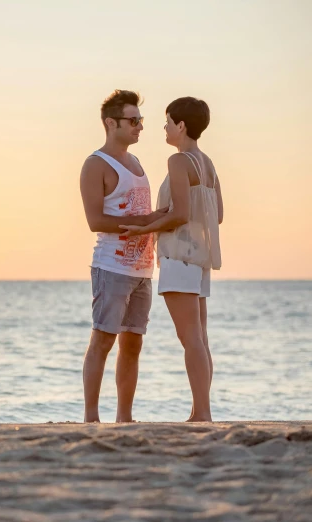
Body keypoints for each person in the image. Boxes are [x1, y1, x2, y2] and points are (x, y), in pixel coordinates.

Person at [120, 97, 223, 422]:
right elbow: (217, 215)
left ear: (181, 126)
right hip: (200, 257)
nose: (163, 127)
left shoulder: (179, 162)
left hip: (179, 256)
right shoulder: (207, 162)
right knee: (200, 338)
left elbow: (179, 213)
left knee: (190, 338)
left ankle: (202, 414)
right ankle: (200, 410)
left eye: (167, 121)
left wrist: (145, 229)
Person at [79, 90, 167, 423]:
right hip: (111, 266)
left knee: (133, 345)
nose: (140, 126)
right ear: (110, 123)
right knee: (102, 339)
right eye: (133, 120)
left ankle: (124, 419)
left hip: (142, 270)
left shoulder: (137, 163)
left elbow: (144, 214)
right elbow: (95, 221)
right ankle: (91, 418)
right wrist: (146, 220)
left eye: (141, 120)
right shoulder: (95, 165)